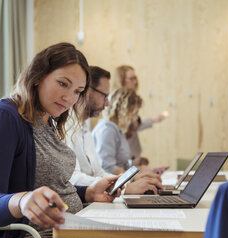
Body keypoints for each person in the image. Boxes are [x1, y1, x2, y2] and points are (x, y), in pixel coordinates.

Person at [0, 43, 120, 238]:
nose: (69, 98)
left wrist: (89, 192)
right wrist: (22, 201)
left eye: (77, 91)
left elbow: (50, 187)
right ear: (38, 76)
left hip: (65, 230)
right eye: (63, 84)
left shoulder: (47, 122)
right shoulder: (4, 117)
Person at [66, 66, 162, 194]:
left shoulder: (85, 130)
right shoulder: (67, 129)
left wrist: (128, 182)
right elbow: (74, 179)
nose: (107, 103)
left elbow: (99, 173)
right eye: (104, 96)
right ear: (86, 90)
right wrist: (126, 186)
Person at [93, 88, 153, 176]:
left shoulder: (117, 129)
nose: (135, 117)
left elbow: (120, 163)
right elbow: (107, 167)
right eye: (134, 112)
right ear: (123, 110)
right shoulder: (107, 130)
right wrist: (135, 177)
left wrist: (133, 163)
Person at [114, 65, 166, 161]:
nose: (135, 82)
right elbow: (127, 126)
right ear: (122, 80)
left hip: (132, 154)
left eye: (135, 78)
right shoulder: (116, 103)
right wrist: (153, 120)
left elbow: (133, 125)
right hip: (124, 157)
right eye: (131, 78)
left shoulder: (131, 100)